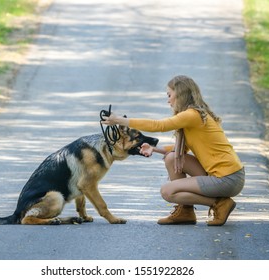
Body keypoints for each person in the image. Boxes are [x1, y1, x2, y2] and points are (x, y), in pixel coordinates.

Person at [101, 75, 245, 226]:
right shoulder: (193, 115)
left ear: (180, 94)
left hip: (227, 178)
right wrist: (154, 149)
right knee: (171, 158)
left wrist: (120, 120)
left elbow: (159, 126)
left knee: (167, 191)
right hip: (224, 175)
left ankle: (219, 204)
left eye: (169, 95)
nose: (168, 100)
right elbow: (180, 149)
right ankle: (185, 211)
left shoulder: (192, 115)